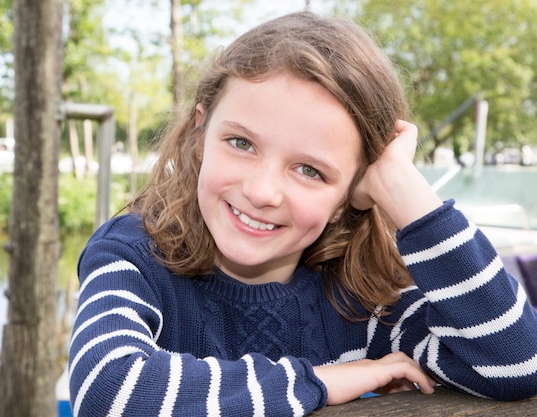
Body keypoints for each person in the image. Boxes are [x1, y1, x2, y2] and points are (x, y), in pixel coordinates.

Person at [68, 11, 537, 416]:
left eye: (310, 170)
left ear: (348, 197)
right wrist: (323, 381)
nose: (262, 191)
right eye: (241, 143)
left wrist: (402, 187)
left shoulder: (359, 303)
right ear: (198, 134)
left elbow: (518, 363)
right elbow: (111, 391)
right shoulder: (133, 255)